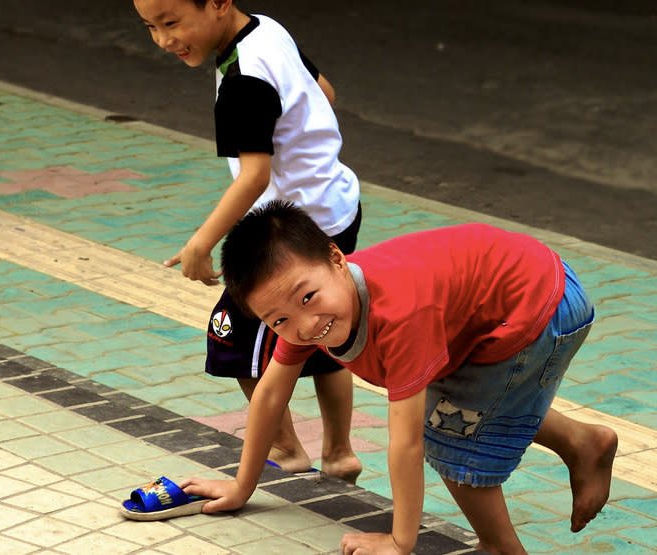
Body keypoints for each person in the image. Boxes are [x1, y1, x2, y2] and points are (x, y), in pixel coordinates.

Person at [181, 201, 619, 555]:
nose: (305, 325)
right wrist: (242, 486)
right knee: (477, 405)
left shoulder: (402, 314)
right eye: (278, 320)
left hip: (537, 307)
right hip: (509, 298)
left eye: (308, 298)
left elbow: (406, 442)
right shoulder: (306, 312)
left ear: (337, 258)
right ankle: (583, 442)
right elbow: (271, 394)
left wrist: (399, 542)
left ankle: (501, 547)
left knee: (450, 431)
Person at [132, 0, 363, 481]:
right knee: (330, 323)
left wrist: (202, 242)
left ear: (218, 3)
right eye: (150, 27)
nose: (163, 40)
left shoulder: (242, 80)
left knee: (233, 334)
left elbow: (255, 175)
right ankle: (339, 453)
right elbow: (324, 92)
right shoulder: (267, 29)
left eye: (171, 23)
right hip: (335, 207)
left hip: (286, 230)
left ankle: (285, 448)